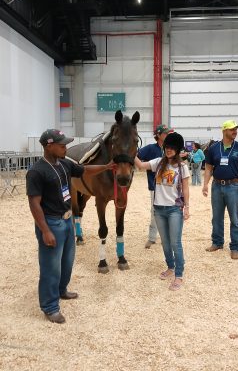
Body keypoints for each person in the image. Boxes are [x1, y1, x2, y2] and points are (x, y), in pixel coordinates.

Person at [26, 129, 114, 323]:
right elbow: (34, 203)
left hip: (67, 221)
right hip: (51, 222)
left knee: (66, 262)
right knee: (51, 266)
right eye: (62, 144)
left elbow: (85, 170)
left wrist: (106, 167)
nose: (66, 147)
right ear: (49, 146)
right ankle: (49, 306)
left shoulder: (64, 164)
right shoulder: (37, 172)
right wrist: (45, 230)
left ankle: (62, 290)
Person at [135, 132, 190, 291]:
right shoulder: (158, 162)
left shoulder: (182, 167)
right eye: (167, 147)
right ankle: (170, 267)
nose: (169, 150)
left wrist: (187, 207)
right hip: (158, 209)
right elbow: (140, 165)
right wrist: (130, 152)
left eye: (172, 147)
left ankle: (179, 275)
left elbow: (185, 189)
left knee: (175, 242)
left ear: (178, 150)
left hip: (174, 209)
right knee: (165, 242)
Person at [202, 120, 238, 260]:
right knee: (216, 217)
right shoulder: (214, 148)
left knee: (234, 218)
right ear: (224, 131)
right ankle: (217, 242)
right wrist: (205, 184)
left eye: (236, 129)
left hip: (233, 186)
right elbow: (209, 168)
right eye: (232, 129)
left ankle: (235, 246)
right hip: (216, 186)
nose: (235, 131)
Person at [138, 124, 171, 249]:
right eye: (165, 133)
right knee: (154, 212)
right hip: (155, 187)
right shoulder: (150, 149)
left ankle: (166, 237)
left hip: (169, 187)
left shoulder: (170, 148)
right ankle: (152, 238)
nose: (168, 135)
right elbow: (137, 156)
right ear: (158, 135)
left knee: (169, 211)